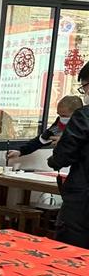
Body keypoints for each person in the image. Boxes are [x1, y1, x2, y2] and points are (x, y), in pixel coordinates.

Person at [47, 62, 89, 248]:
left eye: (84, 87)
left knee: (70, 253)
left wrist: (53, 159)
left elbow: (63, 156)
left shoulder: (84, 116)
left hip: (82, 203)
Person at [7, 95, 83, 160]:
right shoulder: (58, 126)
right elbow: (42, 139)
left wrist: (66, 141)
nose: (61, 118)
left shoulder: (84, 127)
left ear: (78, 114)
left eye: (64, 115)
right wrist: (20, 151)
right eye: (59, 115)